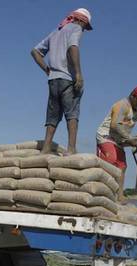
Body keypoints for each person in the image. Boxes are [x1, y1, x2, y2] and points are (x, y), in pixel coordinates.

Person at [31, 8, 93, 155]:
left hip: (53, 80)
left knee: (52, 115)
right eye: (85, 26)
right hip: (67, 79)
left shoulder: (56, 32)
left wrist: (47, 70)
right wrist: (78, 74)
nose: (84, 30)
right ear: (81, 21)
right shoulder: (76, 28)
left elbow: (35, 52)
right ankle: (71, 148)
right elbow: (73, 47)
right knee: (72, 114)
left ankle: (46, 147)